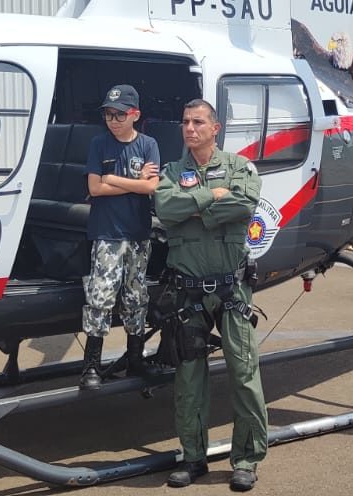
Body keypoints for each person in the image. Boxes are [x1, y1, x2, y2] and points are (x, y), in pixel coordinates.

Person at [154, 98, 266, 492]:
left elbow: (244, 203)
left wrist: (197, 209)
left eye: (198, 122)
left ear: (214, 128)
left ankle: (246, 460)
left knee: (244, 372)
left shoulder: (239, 167)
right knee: (188, 378)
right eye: (185, 121)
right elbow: (165, 207)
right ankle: (192, 457)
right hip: (188, 292)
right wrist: (209, 197)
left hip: (232, 288)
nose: (189, 128)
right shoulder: (172, 171)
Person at [80, 84, 160, 390]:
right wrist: (132, 182)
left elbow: (151, 187)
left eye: (120, 114)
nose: (113, 120)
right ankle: (91, 365)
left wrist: (112, 178)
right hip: (107, 233)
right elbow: (95, 188)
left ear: (135, 115)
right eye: (108, 114)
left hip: (138, 233)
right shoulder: (99, 144)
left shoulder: (148, 144)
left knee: (135, 296)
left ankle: (135, 359)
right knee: (100, 295)